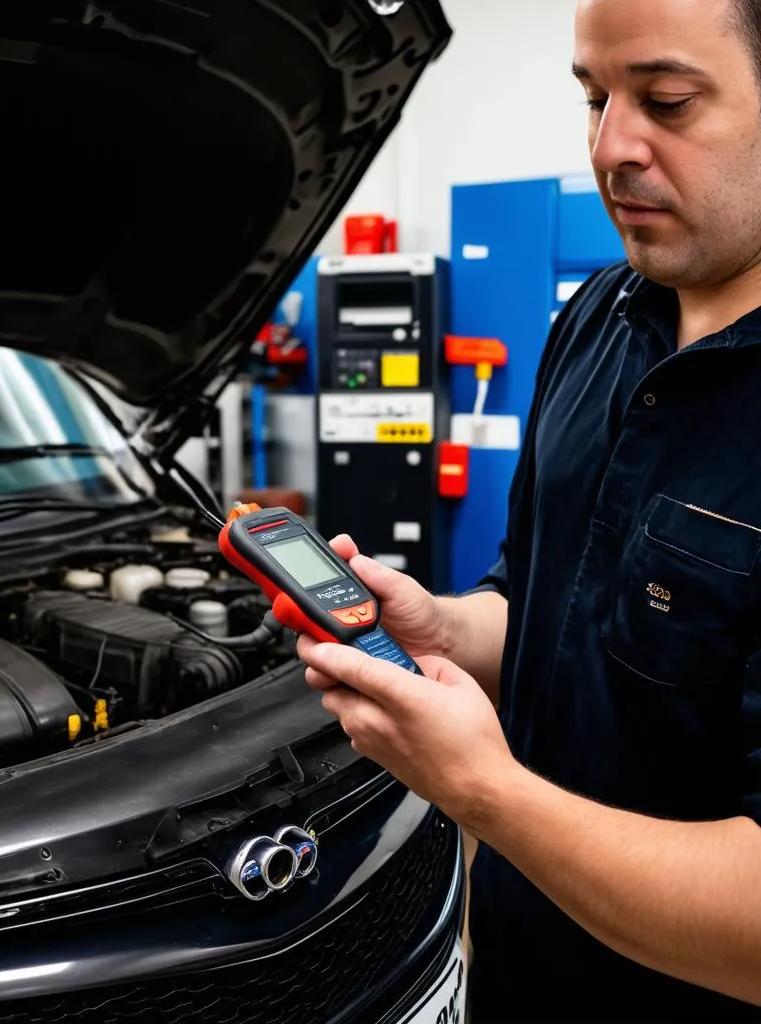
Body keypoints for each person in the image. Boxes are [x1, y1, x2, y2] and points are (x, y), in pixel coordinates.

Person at [296, 0, 761, 1019]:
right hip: (510, 965)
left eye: (665, 101)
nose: (610, 148)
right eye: (591, 99)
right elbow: (543, 597)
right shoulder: (594, 316)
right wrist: (446, 626)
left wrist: (477, 789)